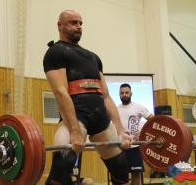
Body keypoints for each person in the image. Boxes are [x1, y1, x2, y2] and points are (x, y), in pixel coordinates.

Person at [43, 10, 132, 185]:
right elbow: (61, 92)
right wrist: (75, 131)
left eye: (80, 23)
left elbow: (105, 96)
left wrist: (120, 130)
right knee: (59, 176)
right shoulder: (55, 52)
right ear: (60, 25)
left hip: (101, 120)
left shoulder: (93, 57)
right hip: (76, 118)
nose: (78, 26)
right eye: (73, 22)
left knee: (122, 172)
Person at [117, 83, 154, 185]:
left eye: (126, 92)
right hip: (120, 147)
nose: (124, 95)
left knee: (136, 174)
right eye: (122, 93)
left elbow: (153, 121)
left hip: (135, 146)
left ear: (131, 93)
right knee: (119, 175)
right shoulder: (115, 109)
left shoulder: (139, 107)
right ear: (119, 95)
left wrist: (143, 132)